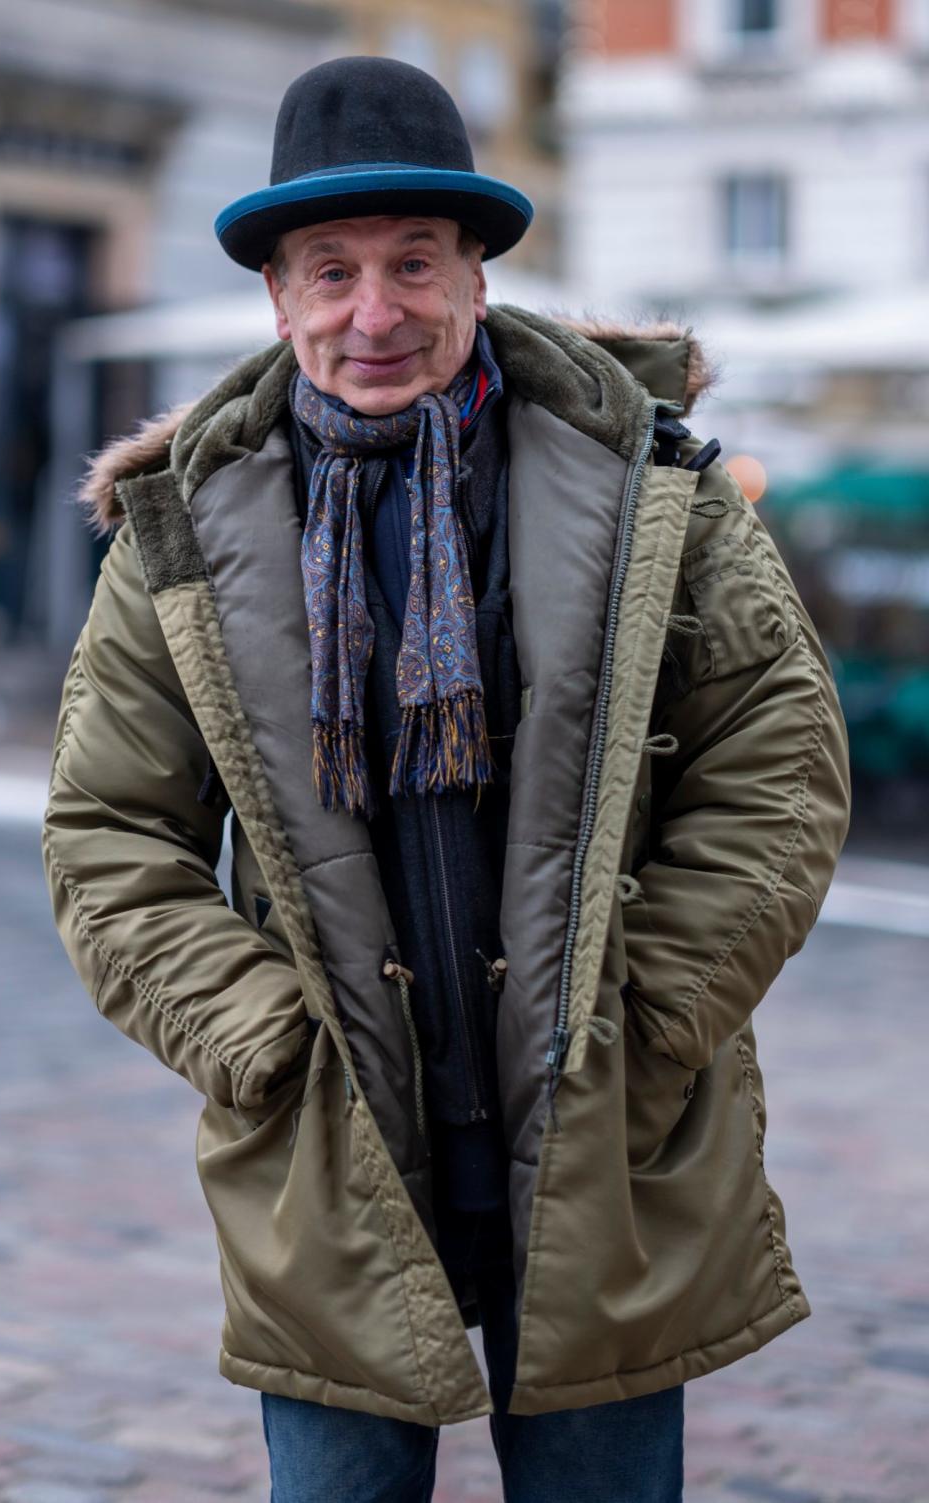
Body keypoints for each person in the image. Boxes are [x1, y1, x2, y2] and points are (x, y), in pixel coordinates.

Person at [43, 55, 851, 1503]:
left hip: (607, 1127)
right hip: (334, 1150)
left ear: (477, 273)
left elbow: (776, 760)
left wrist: (653, 1010)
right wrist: (266, 1045)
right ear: (278, 299)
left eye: (415, 262)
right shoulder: (181, 541)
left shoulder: (644, 479)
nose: (375, 313)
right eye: (331, 271)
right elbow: (109, 833)